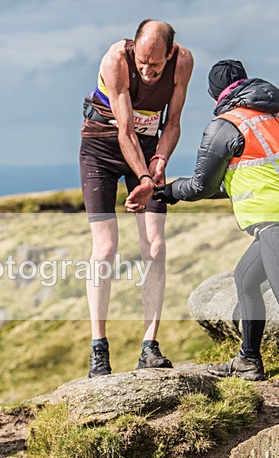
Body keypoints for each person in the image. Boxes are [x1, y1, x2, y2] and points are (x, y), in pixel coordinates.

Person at [152, 60, 279, 417]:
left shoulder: (225, 125)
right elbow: (245, 176)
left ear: (214, 93)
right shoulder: (274, 117)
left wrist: (169, 192)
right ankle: (248, 361)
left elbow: (201, 185)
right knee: (246, 279)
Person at [80, 19, 193, 377]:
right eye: (141, 63)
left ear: (171, 53)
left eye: (155, 66)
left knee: (155, 247)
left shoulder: (183, 62)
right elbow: (125, 129)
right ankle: (99, 347)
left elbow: (172, 123)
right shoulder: (116, 60)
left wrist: (159, 161)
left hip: (147, 150)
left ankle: (149, 346)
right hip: (101, 149)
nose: (146, 71)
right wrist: (144, 177)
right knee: (106, 247)